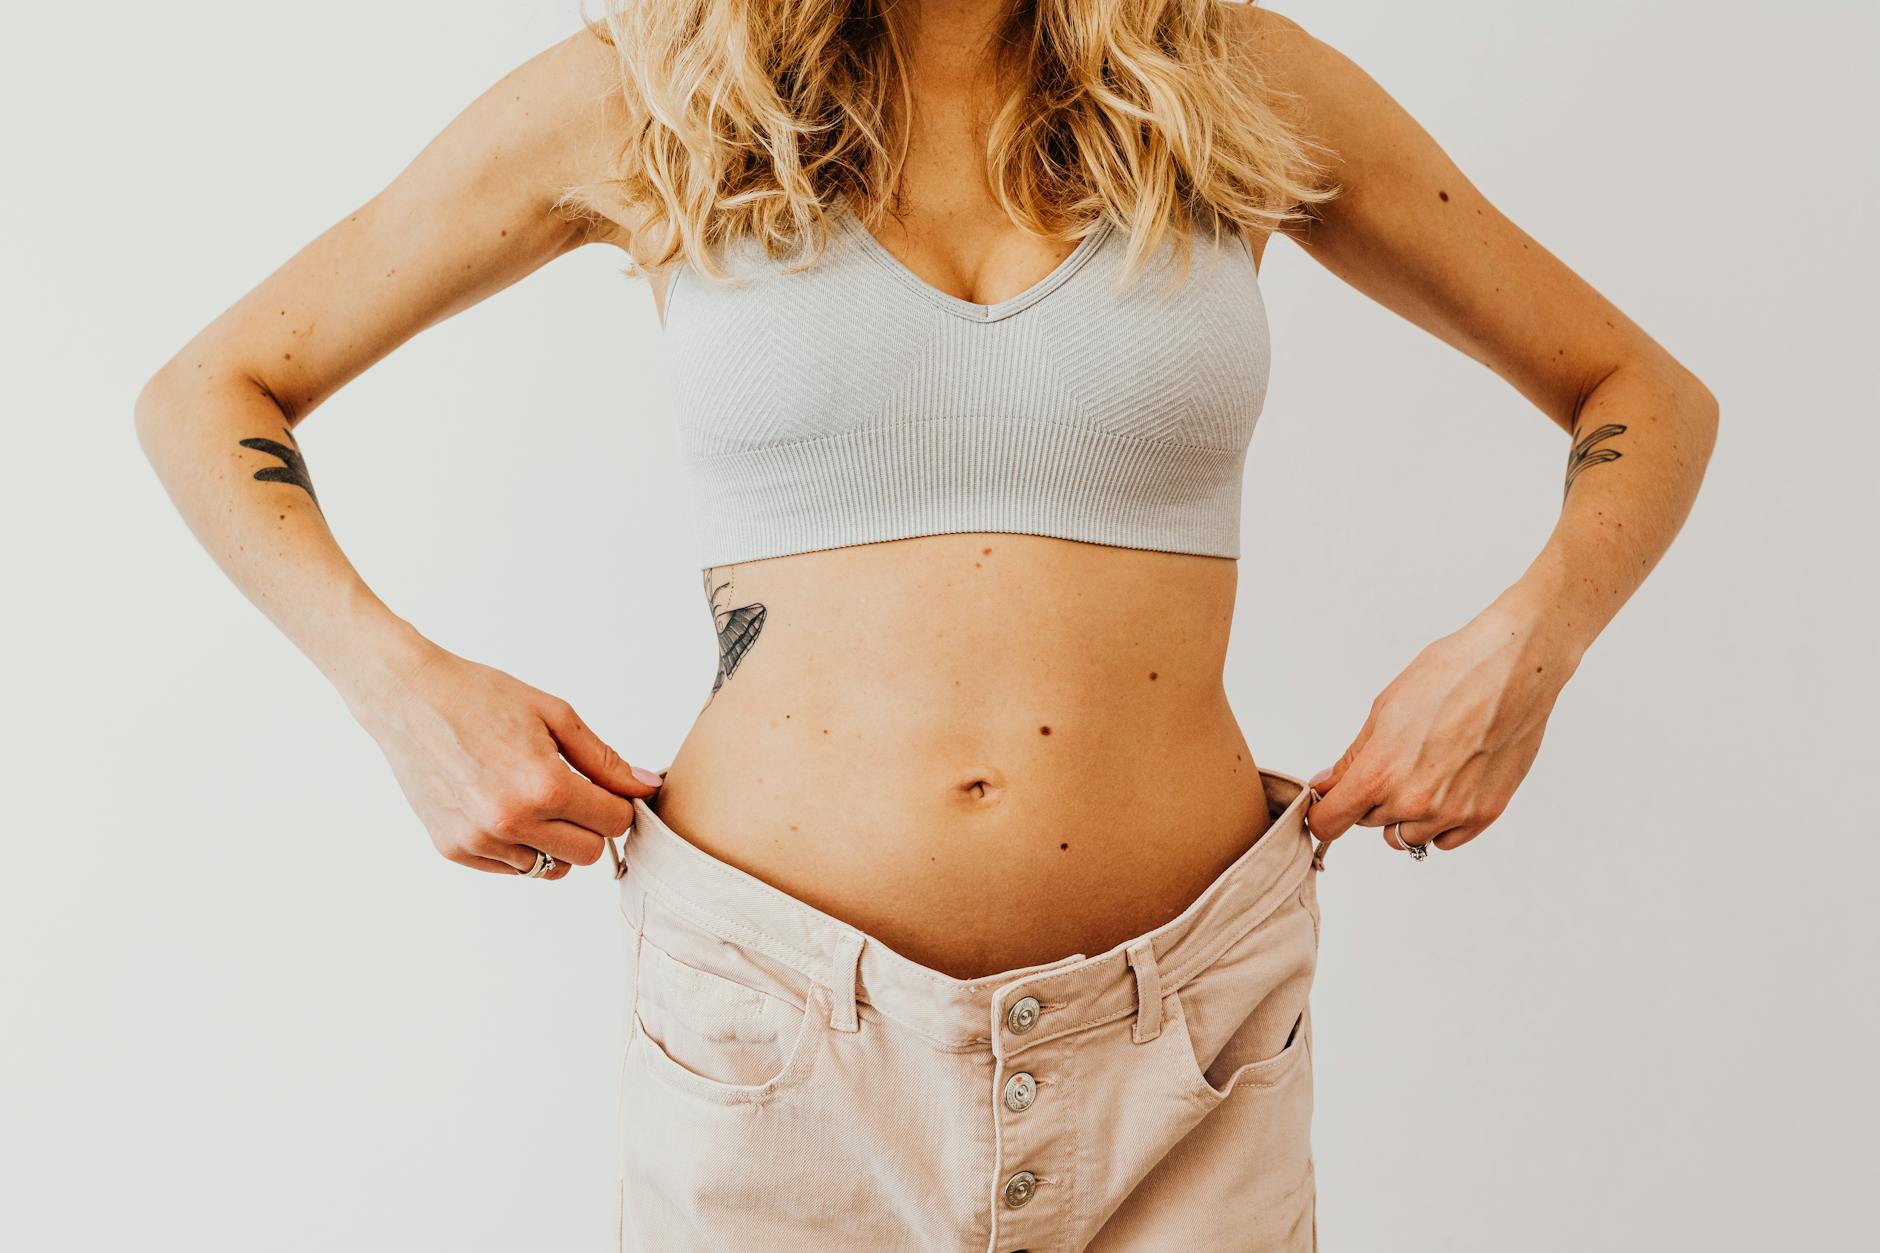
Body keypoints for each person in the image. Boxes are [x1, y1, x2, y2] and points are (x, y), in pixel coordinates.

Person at [132, 2, 1717, 1248]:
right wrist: (402, 692)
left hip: (1191, 1051)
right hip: (767, 1052)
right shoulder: (647, 89)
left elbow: (1642, 390)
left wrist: (1529, 645)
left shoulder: (1238, 81)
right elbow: (213, 392)